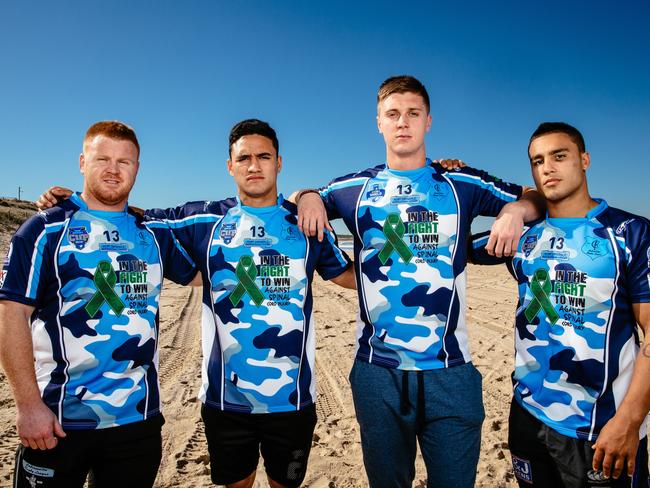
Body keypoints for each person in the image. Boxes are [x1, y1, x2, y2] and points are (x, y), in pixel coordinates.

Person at [37, 119, 356, 488]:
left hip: (294, 400)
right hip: (226, 402)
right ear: (229, 166)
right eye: (244, 158)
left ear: (279, 163)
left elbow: (346, 276)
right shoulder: (203, 219)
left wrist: (308, 195)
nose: (254, 166)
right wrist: (75, 205)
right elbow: (132, 218)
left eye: (263, 157)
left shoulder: (304, 223)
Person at [295, 75, 545, 487]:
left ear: (428, 121)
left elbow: (535, 198)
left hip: (450, 371)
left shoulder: (460, 182)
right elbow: (304, 201)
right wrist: (306, 195)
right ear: (379, 122)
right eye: (393, 115)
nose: (403, 123)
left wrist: (515, 213)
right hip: (378, 371)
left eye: (413, 114)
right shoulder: (353, 189)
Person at [0, 121, 197, 487]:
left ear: (137, 168)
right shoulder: (45, 230)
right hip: (58, 420)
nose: (113, 169)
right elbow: (11, 314)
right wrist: (28, 407)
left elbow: (205, 274)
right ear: (81, 162)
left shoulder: (150, 233)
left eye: (125, 161)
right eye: (102, 158)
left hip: (138, 423)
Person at [471, 122, 650, 487]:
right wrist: (452, 174)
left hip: (600, 428)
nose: (547, 168)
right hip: (528, 418)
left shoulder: (630, 234)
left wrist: (629, 421)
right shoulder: (523, 238)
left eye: (559, 156)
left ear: (584, 160)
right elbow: (441, 246)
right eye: (538, 161)